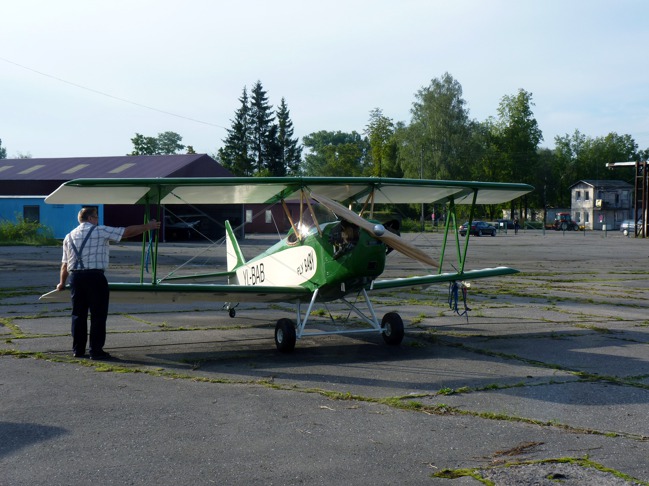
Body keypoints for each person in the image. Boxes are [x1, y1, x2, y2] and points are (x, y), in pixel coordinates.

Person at [57, 207, 161, 360]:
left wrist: (61, 283)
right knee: (98, 315)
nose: (98, 220)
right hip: (95, 276)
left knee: (78, 315)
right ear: (92, 218)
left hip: (76, 278)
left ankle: (78, 350)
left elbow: (65, 265)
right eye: (96, 217)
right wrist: (148, 226)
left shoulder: (69, 236)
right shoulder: (99, 231)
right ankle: (96, 350)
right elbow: (125, 232)